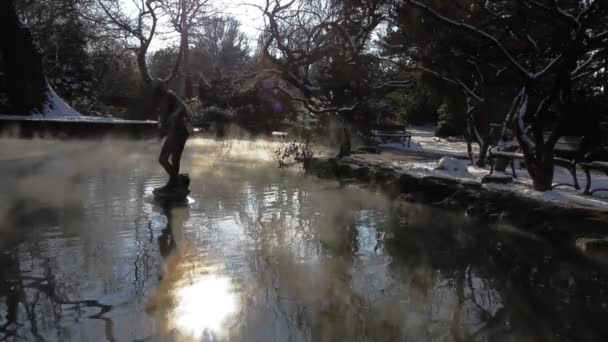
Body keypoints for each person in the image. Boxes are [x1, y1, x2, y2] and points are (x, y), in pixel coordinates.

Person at [152, 81, 191, 192]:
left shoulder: (169, 95)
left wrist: (174, 115)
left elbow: (182, 107)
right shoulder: (161, 100)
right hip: (176, 133)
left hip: (179, 132)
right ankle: (175, 182)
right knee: (171, 159)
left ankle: (174, 183)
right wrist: (160, 134)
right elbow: (164, 121)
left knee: (165, 159)